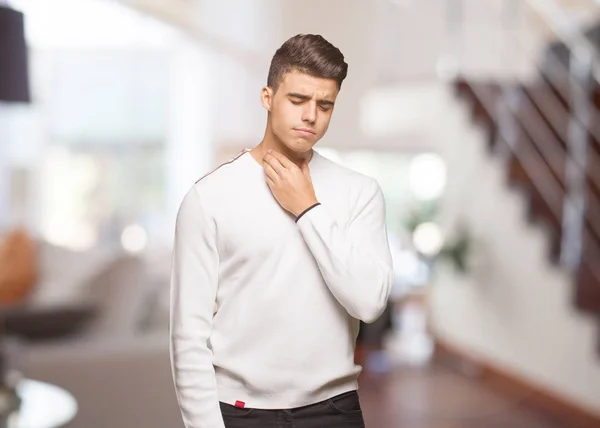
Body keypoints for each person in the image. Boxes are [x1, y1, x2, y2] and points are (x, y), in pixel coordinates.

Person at [169, 33, 394, 428]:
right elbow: (188, 336)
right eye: (297, 100)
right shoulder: (209, 198)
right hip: (238, 411)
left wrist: (308, 209)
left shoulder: (360, 192)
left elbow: (369, 302)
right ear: (267, 97)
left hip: (334, 409)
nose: (311, 116)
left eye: (324, 105)